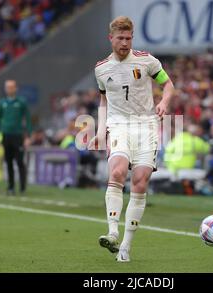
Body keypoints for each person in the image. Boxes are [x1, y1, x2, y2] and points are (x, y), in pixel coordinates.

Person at [89, 16, 174, 262]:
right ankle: (112, 231)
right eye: (120, 38)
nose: (125, 43)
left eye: (128, 38)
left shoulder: (147, 61)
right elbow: (104, 101)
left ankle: (126, 245)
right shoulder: (101, 68)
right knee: (116, 172)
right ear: (111, 38)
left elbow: (168, 85)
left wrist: (164, 101)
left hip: (146, 126)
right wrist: (98, 130)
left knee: (139, 181)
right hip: (119, 126)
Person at [0, 80, 32, 195]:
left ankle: (22, 188)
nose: (9, 89)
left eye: (11, 87)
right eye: (7, 87)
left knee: (20, 162)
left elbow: (28, 120)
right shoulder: (2, 103)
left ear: (16, 88)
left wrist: (28, 137)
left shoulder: (21, 102)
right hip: (6, 136)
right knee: (9, 162)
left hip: (18, 136)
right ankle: (10, 187)